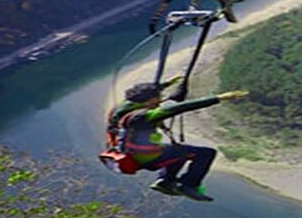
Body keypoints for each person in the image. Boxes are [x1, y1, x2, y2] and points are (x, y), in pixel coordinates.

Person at [105, 79, 248, 202]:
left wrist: (167, 84)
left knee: (178, 152)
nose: (160, 101)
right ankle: (188, 184)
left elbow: (147, 94)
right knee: (206, 153)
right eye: (157, 98)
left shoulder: (123, 107)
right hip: (147, 159)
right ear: (148, 101)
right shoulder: (143, 116)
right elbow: (178, 108)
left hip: (131, 153)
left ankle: (165, 181)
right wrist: (220, 97)